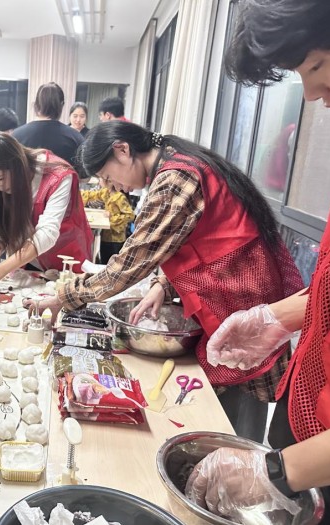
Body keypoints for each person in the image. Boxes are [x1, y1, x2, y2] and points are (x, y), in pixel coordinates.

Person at [30, 120, 304, 442]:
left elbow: (130, 263)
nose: (112, 187)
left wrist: (65, 296)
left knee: (239, 393)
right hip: (232, 288)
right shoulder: (176, 162)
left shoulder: (175, 178)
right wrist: (163, 283)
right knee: (231, 379)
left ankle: (242, 457)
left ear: (122, 150)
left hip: (239, 295)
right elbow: (187, 237)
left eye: (107, 176)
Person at [184, 1, 330, 523]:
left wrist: (276, 471)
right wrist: (282, 316)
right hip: (309, 413)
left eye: (317, 66)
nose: (312, 94)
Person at [0, 132, 93, 290]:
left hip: (65, 262)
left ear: (16, 165)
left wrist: (0, 269)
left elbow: (47, 233)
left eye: (0, 179)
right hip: (26, 263)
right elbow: (1, 229)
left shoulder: (58, 176)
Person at [12, 82, 84, 169]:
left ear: (36, 104)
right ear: (62, 105)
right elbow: (83, 174)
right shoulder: (75, 137)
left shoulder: (16, 136)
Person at [80, 183, 135, 260]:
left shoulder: (119, 197)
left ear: (110, 181)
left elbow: (130, 215)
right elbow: (92, 194)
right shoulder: (105, 192)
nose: (99, 182)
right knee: (104, 258)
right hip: (105, 236)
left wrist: (112, 217)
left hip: (116, 238)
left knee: (111, 261)